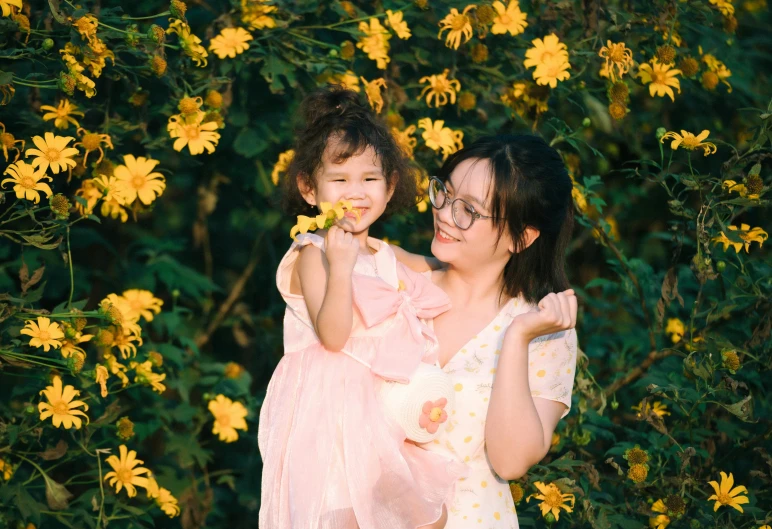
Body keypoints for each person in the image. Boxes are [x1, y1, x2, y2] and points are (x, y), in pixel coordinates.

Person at [258, 86, 466, 529]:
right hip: (331, 419)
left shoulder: (386, 255)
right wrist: (340, 268)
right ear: (309, 188)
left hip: (385, 418)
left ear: (390, 188)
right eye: (339, 179)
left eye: (369, 179)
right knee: (344, 517)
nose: (356, 192)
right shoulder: (312, 252)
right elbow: (333, 336)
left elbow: (448, 267)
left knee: (427, 516)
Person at [393, 134, 579, 528]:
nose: (444, 213)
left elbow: (510, 461)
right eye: (445, 192)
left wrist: (517, 337)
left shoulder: (546, 333)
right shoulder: (396, 281)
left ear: (520, 237)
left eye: (469, 211)